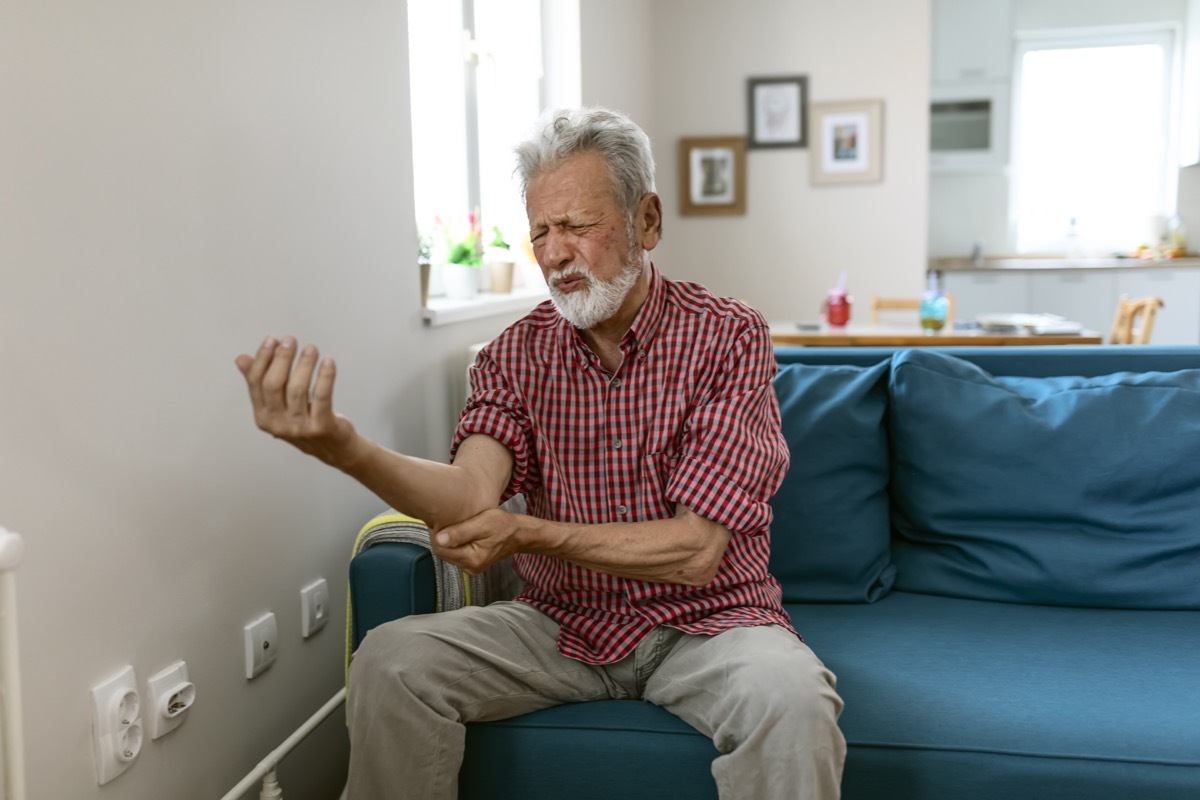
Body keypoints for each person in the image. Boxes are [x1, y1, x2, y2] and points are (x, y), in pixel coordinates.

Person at [235, 106, 845, 799]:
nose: (555, 254)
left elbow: (696, 550)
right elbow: (469, 495)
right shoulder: (511, 356)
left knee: (794, 702)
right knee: (390, 658)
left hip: (709, 623)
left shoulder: (728, 336)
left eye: (577, 225)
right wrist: (347, 449)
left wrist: (525, 531)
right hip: (561, 625)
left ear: (647, 221)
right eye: (540, 233)